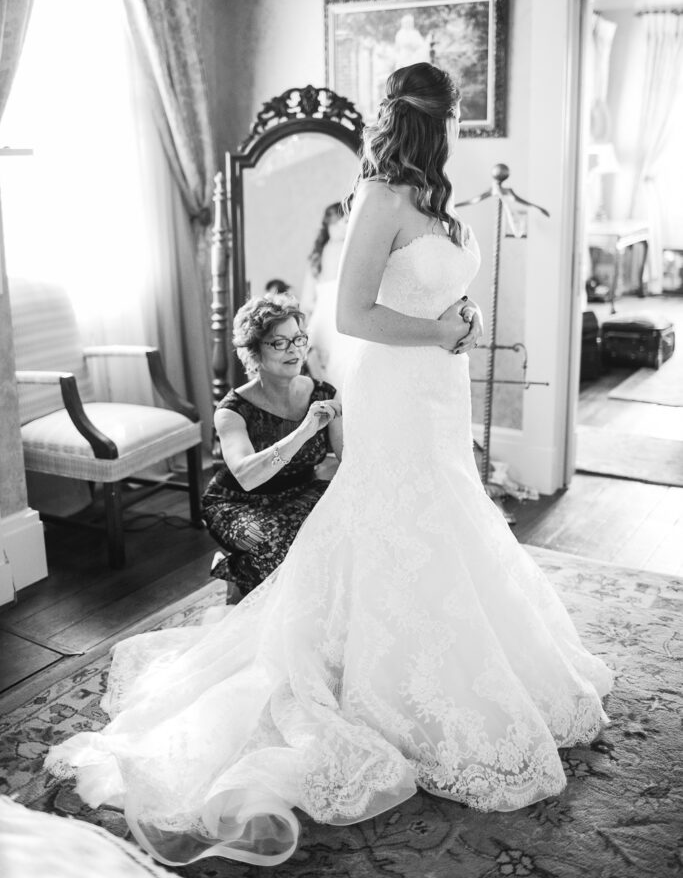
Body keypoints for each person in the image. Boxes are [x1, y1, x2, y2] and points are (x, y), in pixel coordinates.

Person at [45, 63, 613, 868]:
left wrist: (467, 319)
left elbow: (440, 293)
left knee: (448, 509)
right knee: (393, 513)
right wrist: (441, 334)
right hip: (396, 383)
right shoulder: (379, 196)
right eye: (453, 120)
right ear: (439, 123)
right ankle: (379, 667)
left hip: (436, 387)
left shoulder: (438, 202)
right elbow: (350, 316)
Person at [201, 294, 342, 597]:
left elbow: (351, 459)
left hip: (299, 492)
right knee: (270, 547)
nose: (293, 350)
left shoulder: (324, 393)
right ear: (254, 352)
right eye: (279, 343)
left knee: (344, 527)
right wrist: (302, 432)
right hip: (238, 501)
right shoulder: (232, 410)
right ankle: (235, 569)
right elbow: (247, 476)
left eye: (298, 339)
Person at [300, 201, 354, 389]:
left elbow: (307, 302)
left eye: (347, 221)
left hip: (322, 321)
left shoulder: (317, 254)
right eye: (341, 221)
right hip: (336, 320)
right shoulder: (347, 249)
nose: (344, 226)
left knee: (329, 378)